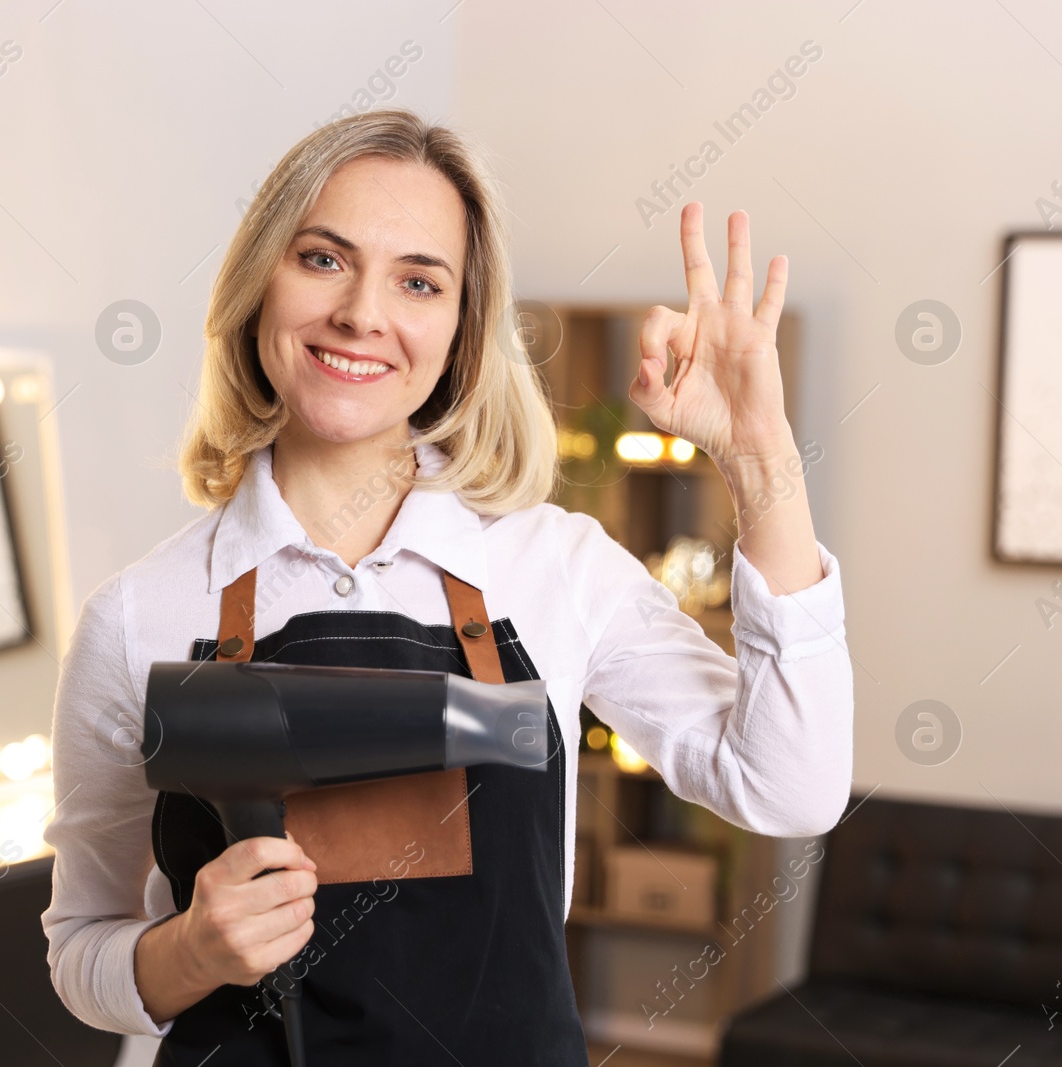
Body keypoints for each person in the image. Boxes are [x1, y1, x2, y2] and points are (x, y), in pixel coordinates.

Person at [42, 108, 853, 1064]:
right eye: (322, 258)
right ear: (260, 282)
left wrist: (761, 462)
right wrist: (189, 950)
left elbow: (790, 789)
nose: (362, 315)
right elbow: (80, 952)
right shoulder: (140, 615)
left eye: (418, 280)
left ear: (462, 329)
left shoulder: (555, 567)